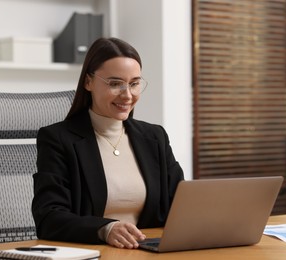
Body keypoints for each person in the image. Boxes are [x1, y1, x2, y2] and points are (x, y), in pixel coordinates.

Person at [32, 37, 184, 249]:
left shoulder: (154, 137)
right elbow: (48, 218)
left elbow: (182, 205)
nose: (127, 95)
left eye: (134, 83)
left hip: (146, 252)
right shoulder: (58, 139)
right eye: (115, 84)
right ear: (88, 82)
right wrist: (105, 229)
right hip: (90, 253)